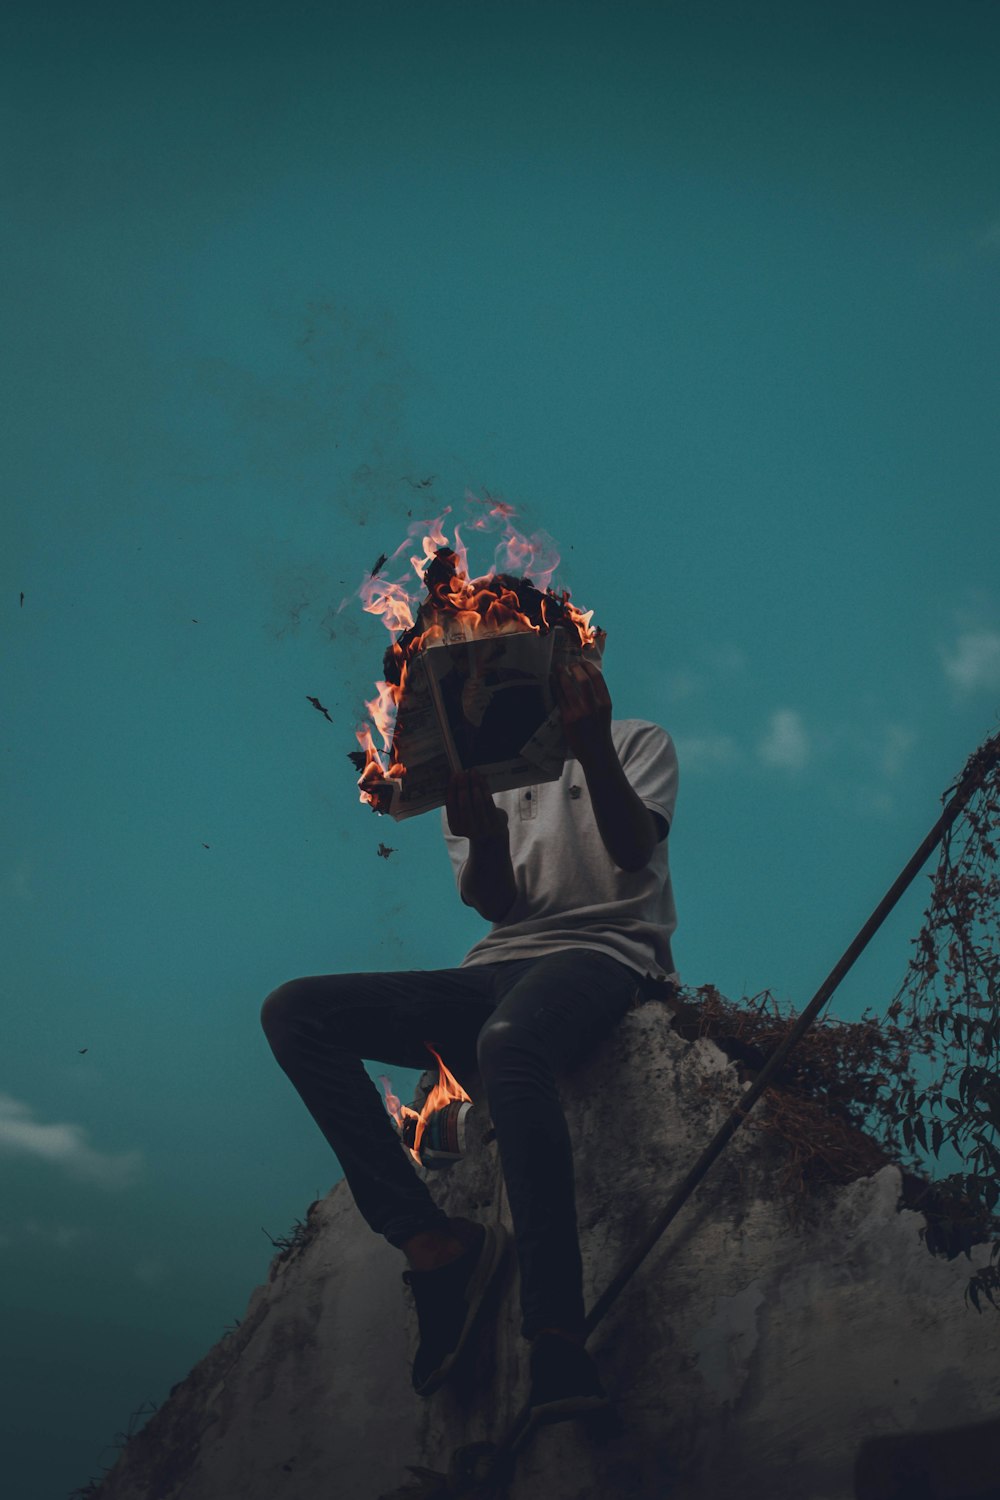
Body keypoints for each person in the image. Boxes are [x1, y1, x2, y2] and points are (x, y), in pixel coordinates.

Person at [260, 657, 679, 1438]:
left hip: (606, 955)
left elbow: (631, 853)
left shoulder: (635, 739)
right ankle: (435, 1248)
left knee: (511, 1043)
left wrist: (591, 749)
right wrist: (482, 833)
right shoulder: (475, 777)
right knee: (295, 1011)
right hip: (495, 967)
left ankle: (556, 1337)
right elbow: (495, 903)